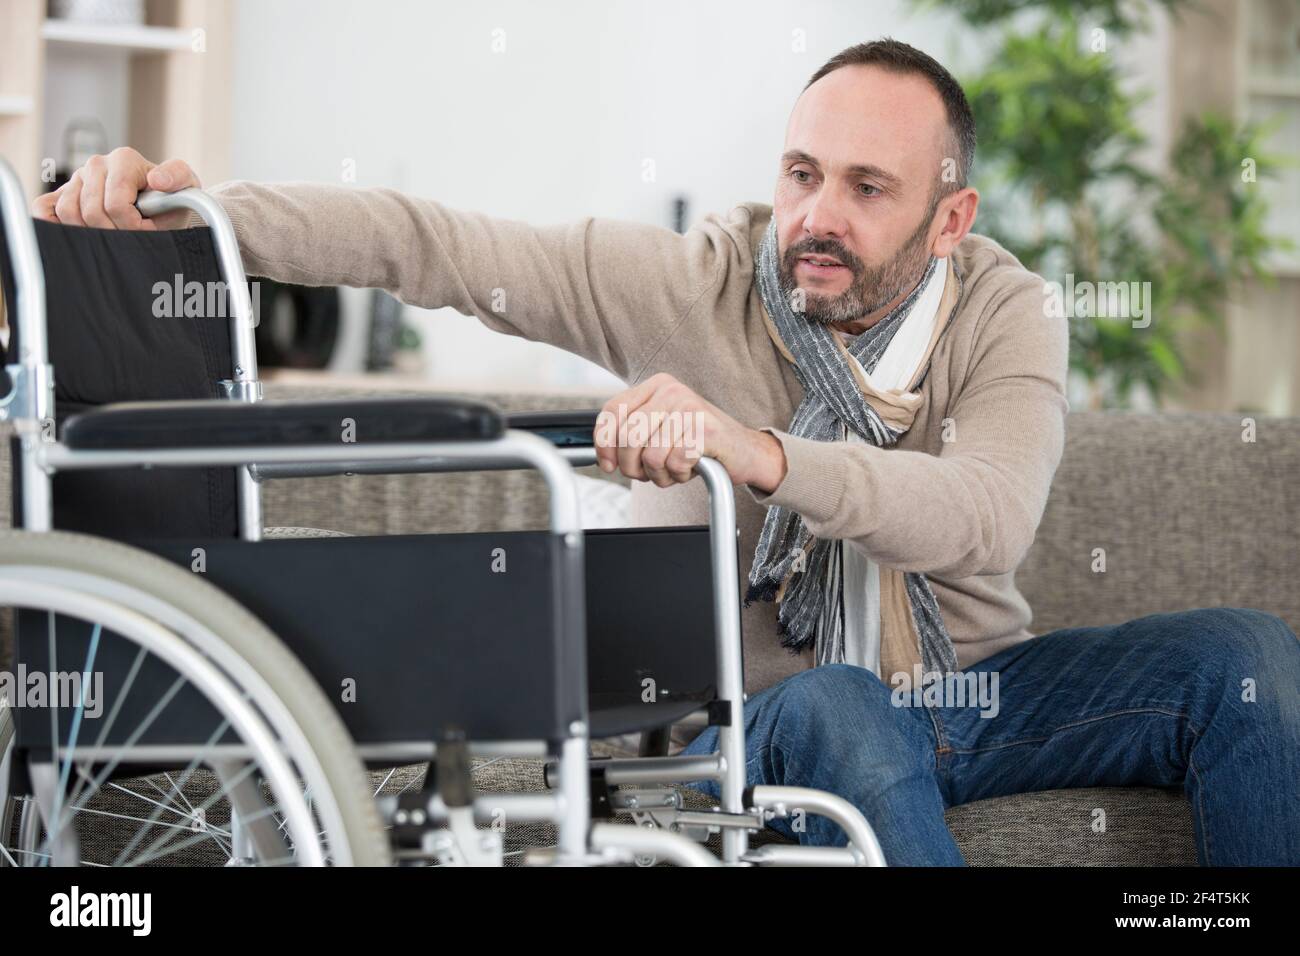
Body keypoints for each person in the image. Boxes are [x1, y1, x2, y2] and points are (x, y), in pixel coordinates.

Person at [36, 38, 1298, 866]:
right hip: (783, 713)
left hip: (980, 695)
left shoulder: (1004, 310)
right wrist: (196, 214)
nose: (816, 216)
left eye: (867, 188)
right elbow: (434, 244)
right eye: (802, 173)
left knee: (1244, 658)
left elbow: (985, 517)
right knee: (849, 709)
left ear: (949, 218)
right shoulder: (686, 283)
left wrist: (751, 450)